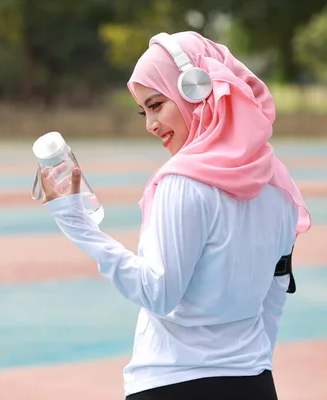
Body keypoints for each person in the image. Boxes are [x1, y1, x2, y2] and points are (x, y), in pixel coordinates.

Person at [38, 31, 312, 400]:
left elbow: (158, 294)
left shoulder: (183, 183)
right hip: (254, 381)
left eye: (156, 105)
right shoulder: (276, 182)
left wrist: (75, 221)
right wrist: (252, 364)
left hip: (173, 383)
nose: (150, 125)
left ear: (197, 90)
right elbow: (276, 291)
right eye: (144, 111)